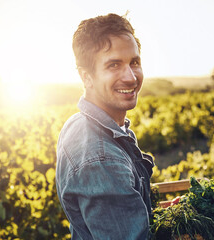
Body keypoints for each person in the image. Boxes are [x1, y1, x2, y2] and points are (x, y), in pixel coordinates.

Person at [55, 13, 154, 239]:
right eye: (114, 65)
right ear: (87, 77)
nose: (130, 77)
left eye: (134, 62)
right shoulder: (102, 160)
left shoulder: (79, 123)